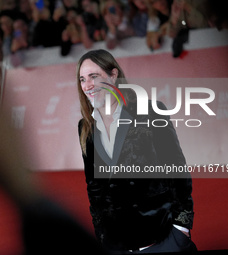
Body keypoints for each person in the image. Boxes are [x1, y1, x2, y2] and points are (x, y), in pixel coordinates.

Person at [77, 49, 196, 254]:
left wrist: (181, 227)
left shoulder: (150, 112)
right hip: (116, 244)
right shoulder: (85, 126)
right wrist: (101, 234)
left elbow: (177, 170)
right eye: (82, 79)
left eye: (94, 77)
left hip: (162, 239)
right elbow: (94, 186)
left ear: (113, 75)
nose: (87, 85)